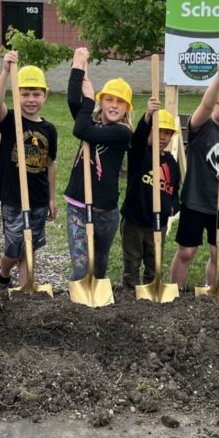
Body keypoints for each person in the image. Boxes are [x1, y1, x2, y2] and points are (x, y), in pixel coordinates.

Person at [168, 51, 219, 290]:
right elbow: (205, 104)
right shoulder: (201, 127)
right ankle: (175, 291)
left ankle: (210, 291)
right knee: (186, 251)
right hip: (195, 202)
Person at [0, 51, 58, 290]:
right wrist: (5, 71)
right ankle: (3, 272)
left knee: (31, 247)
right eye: (25, 94)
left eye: (36, 94)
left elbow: (50, 164)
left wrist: (51, 198)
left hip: (38, 196)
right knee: (14, 247)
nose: (31, 99)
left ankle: (25, 290)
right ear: (17, 95)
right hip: (13, 196)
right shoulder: (11, 121)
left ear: (45, 95)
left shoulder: (49, 129)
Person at [64, 47, 133, 281]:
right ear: (102, 102)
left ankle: (97, 300)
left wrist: (89, 100)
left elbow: (81, 130)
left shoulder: (123, 132)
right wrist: (78, 65)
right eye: (109, 99)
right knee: (82, 267)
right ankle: (77, 300)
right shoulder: (89, 122)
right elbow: (73, 100)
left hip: (106, 211)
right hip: (78, 206)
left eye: (120, 102)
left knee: (100, 264)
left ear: (127, 109)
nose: (113, 105)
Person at [120, 97, 181, 289]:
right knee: (132, 259)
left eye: (167, 133)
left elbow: (175, 192)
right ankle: (130, 291)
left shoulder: (172, 164)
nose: (162, 137)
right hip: (134, 221)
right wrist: (147, 116)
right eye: (158, 131)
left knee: (154, 262)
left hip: (157, 224)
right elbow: (138, 139)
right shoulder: (139, 154)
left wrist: (173, 207)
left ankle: (151, 289)